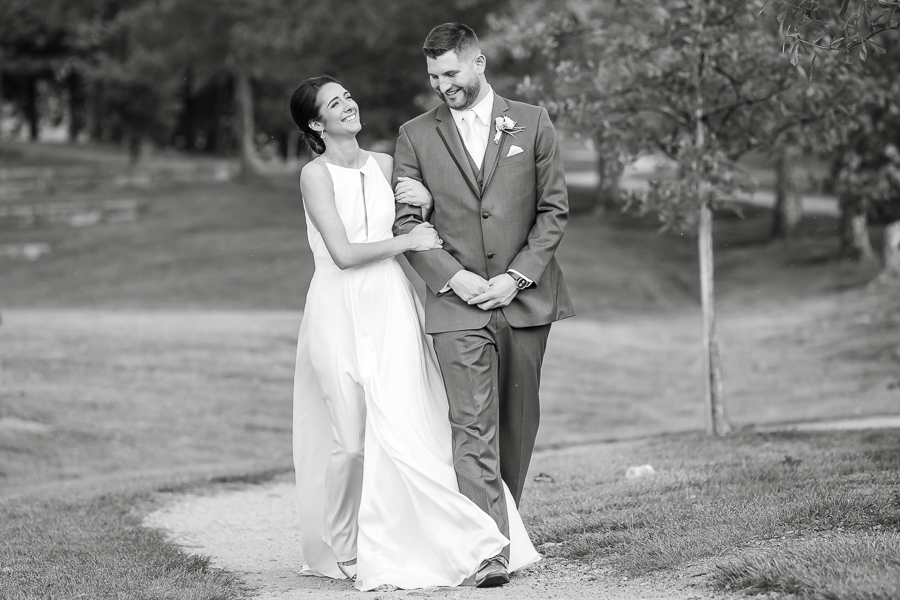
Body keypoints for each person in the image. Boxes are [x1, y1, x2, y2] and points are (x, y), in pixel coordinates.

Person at [289, 75, 540, 592]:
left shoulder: (384, 165)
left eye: (348, 96)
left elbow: (424, 211)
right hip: (337, 306)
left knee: (406, 420)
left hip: (390, 305)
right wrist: (405, 241)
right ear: (317, 123)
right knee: (351, 440)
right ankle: (340, 544)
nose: (349, 105)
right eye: (335, 104)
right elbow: (342, 253)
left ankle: (450, 538)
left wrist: (420, 201)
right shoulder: (314, 176)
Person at [393, 23, 575, 586]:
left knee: (517, 424)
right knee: (471, 426)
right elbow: (406, 223)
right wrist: (456, 279)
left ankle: (506, 527)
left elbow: (554, 211)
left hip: (525, 299)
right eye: (433, 76)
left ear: (479, 63)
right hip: (457, 305)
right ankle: (488, 550)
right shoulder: (414, 136)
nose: (443, 84)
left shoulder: (532, 121)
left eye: (451, 72)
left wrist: (517, 276)